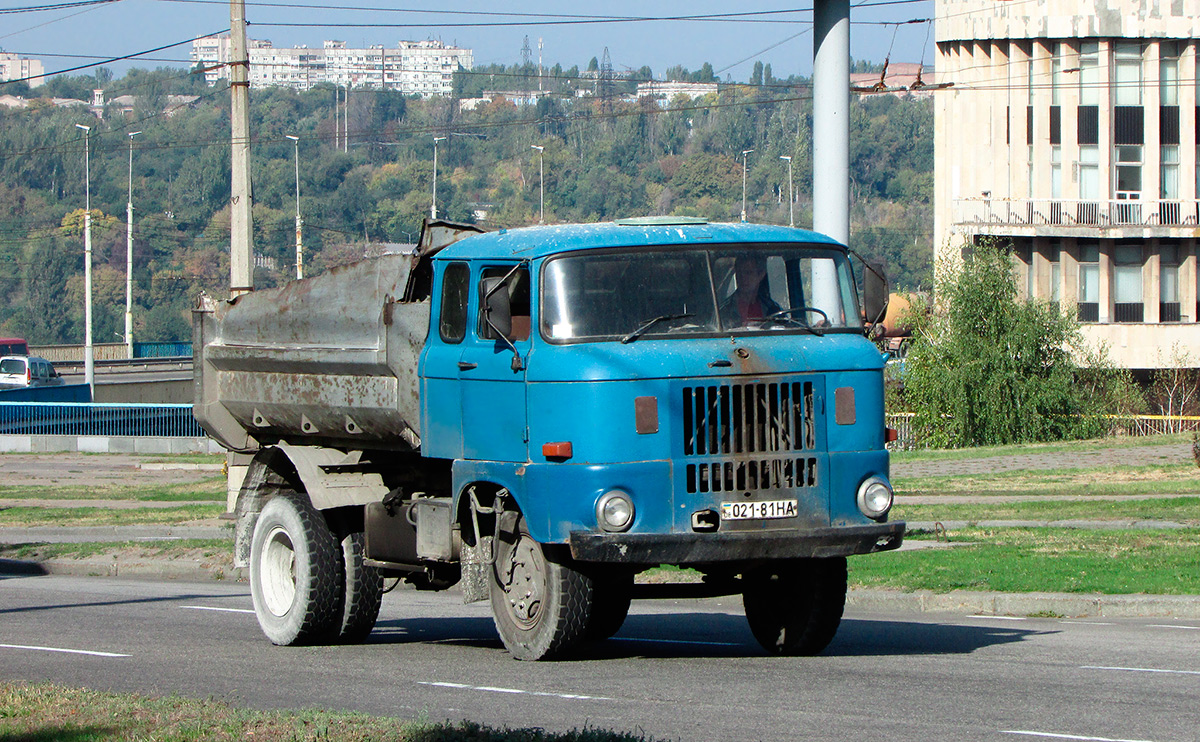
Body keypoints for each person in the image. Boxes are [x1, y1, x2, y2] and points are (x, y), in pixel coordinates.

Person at [720, 254, 782, 327]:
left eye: (748, 273)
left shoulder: (772, 308)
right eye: (739, 273)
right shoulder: (724, 311)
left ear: (761, 275)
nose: (742, 278)